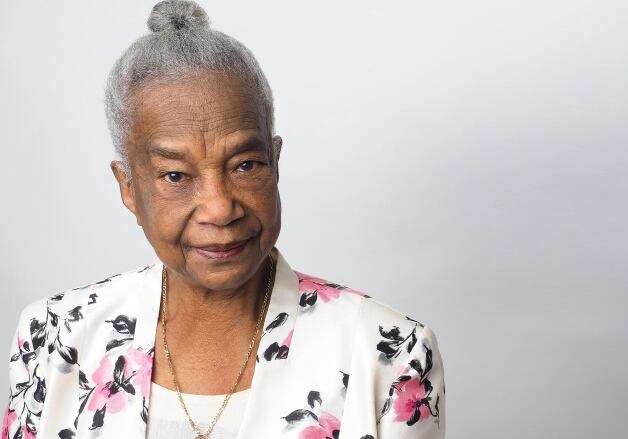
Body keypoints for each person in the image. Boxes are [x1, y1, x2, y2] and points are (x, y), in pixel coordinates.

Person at [2, 1, 445, 438]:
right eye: (175, 175)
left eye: (245, 165)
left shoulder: (390, 352)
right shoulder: (54, 336)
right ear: (128, 187)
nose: (220, 208)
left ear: (276, 160)